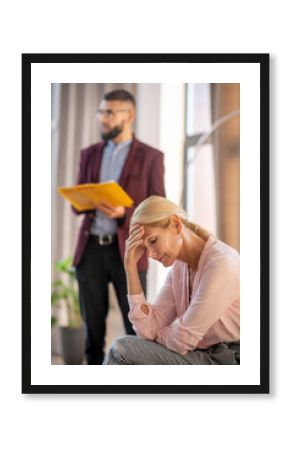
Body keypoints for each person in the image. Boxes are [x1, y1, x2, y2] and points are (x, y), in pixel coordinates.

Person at [73, 90, 165, 365]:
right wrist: (85, 200)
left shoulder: (151, 157)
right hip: (89, 251)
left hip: (129, 252)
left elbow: (158, 208)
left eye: (109, 112)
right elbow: (77, 202)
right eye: (101, 112)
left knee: (136, 330)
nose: (103, 118)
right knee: (92, 334)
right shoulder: (89, 154)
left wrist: (125, 212)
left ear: (130, 116)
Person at [103, 196, 240, 365]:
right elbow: (148, 330)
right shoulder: (179, 268)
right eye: (145, 248)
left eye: (153, 241)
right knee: (122, 353)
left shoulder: (221, 263)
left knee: (122, 350)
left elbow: (183, 338)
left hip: (229, 358)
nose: (151, 255)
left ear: (176, 224)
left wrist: (158, 336)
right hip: (201, 354)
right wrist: (130, 267)